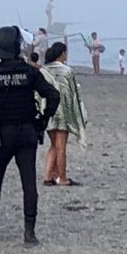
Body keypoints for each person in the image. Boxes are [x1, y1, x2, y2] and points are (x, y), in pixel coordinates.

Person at [0, 26, 60, 245]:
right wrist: (42, 120)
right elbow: (53, 95)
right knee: (28, 182)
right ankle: (29, 232)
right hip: (28, 132)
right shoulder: (30, 72)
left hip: (4, 134)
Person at [40, 42, 87, 186]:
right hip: (62, 112)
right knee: (61, 147)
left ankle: (49, 176)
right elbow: (73, 95)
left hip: (47, 111)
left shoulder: (43, 70)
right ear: (62, 54)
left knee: (53, 145)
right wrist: (79, 114)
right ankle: (62, 178)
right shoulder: (67, 71)